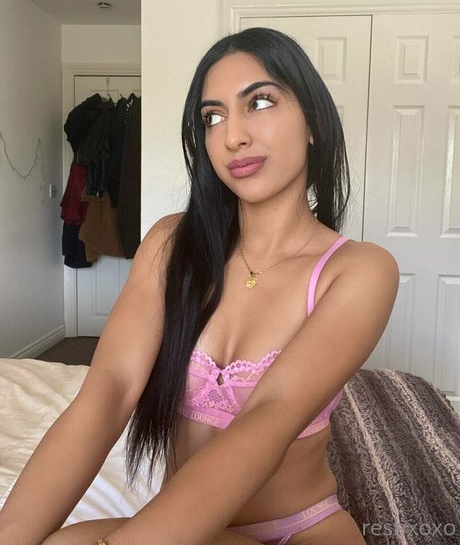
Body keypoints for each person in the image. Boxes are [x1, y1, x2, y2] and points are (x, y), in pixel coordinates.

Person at [0, 27, 399, 545]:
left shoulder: (360, 270)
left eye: (259, 102)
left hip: (300, 531)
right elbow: (110, 390)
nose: (233, 136)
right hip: (181, 529)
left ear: (314, 123)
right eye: (213, 117)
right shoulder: (170, 244)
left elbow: (270, 418)